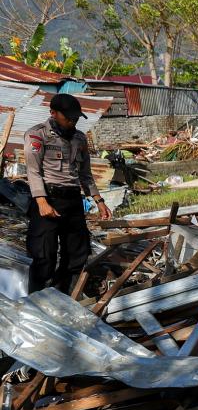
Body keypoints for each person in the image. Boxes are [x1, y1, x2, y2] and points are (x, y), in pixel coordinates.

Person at [24, 93, 111, 294]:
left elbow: (85, 174)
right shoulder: (37, 135)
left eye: (76, 118)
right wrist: (42, 202)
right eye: (68, 117)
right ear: (53, 113)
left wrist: (99, 200)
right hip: (48, 200)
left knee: (76, 256)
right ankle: (36, 302)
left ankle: (63, 298)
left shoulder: (79, 139)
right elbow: (33, 171)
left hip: (73, 201)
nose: (73, 121)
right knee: (44, 256)